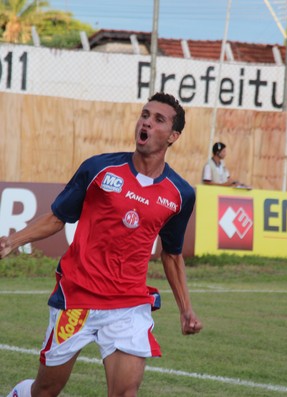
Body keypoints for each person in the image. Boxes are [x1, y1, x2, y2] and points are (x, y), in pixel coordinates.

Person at [0, 92, 203, 397]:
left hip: (128, 305)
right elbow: (58, 217)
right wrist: (12, 241)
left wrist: (186, 309)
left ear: (173, 136)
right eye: (144, 114)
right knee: (46, 391)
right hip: (77, 297)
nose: (146, 121)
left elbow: (172, 254)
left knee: (125, 393)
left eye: (158, 119)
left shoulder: (179, 194)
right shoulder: (99, 169)